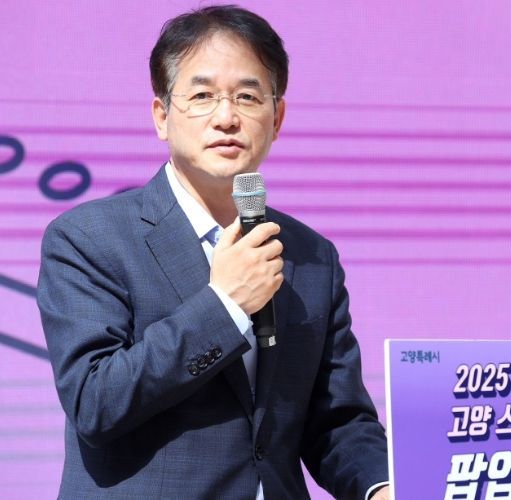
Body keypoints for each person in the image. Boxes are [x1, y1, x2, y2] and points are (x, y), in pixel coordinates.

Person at [37, 5, 389, 499]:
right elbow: (95, 401)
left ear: (277, 117)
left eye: (247, 96)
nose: (226, 118)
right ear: (162, 116)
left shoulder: (311, 256)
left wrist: (381, 485)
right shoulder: (89, 238)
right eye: (202, 96)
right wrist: (225, 304)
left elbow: (337, 419)